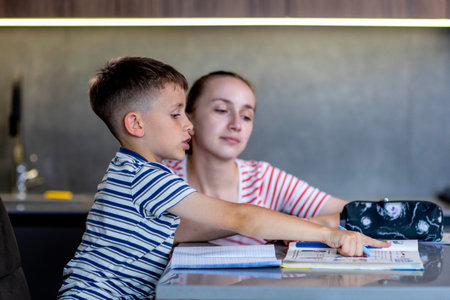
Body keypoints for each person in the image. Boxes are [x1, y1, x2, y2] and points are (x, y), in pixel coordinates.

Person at [58, 57, 389, 299]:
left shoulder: (134, 171)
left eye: (247, 115)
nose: (187, 124)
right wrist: (328, 234)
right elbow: (241, 215)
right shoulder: (148, 179)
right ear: (136, 125)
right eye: (176, 114)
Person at [164, 71, 347, 245]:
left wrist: (318, 223)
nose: (236, 124)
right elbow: (165, 232)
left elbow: (359, 212)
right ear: (189, 119)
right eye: (221, 110)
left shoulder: (263, 178)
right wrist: (259, 223)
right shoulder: (162, 175)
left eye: (246, 116)